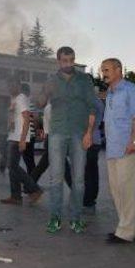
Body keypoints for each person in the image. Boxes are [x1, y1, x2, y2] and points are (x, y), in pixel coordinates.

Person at [38, 46, 95, 234]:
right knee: (55, 179)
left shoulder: (84, 80)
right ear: (58, 61)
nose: (68, 64)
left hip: (79, 134)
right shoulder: (51, 80)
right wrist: (44, 93)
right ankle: (55, 218)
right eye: (64, 61)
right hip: (57, 133)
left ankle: (75, 219)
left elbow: (92, 107)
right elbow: (40, 103)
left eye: (71, 60)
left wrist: (89, 133)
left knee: (78, 180)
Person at [101, 58, 135, 244]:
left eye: (107, 69)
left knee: (128, 190)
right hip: (112, 149)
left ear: (119, 70)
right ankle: (134, 230)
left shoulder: (131, 90)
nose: (104, 73)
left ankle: (125, 232)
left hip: (128, 148)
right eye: (102, 70)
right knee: (117, 190)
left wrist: (134, 140)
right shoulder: (110, 93)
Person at [0, 83, 42, 205]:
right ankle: (16, 196)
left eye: (12, 86)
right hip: (13, 136)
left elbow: (27, 118)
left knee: (13, 166)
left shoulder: (21, 98)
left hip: (19, 137)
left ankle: (34, 189)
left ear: (17, 86)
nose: (9, 88)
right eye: (8, 86)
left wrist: (23, 139)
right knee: (12, 167)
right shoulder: (14, 99)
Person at [31, 102, 72, 188]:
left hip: (51, 138)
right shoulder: (54, 108)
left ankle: (29, 184)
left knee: (43, 165)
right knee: (63, 166)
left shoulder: (50, 107)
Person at [83, 90, 105, 213]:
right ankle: (90, 201)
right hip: (95, 140)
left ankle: (88, 202)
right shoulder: (98, 102)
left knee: (88, 174)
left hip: (89, 141)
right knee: (92, 173)